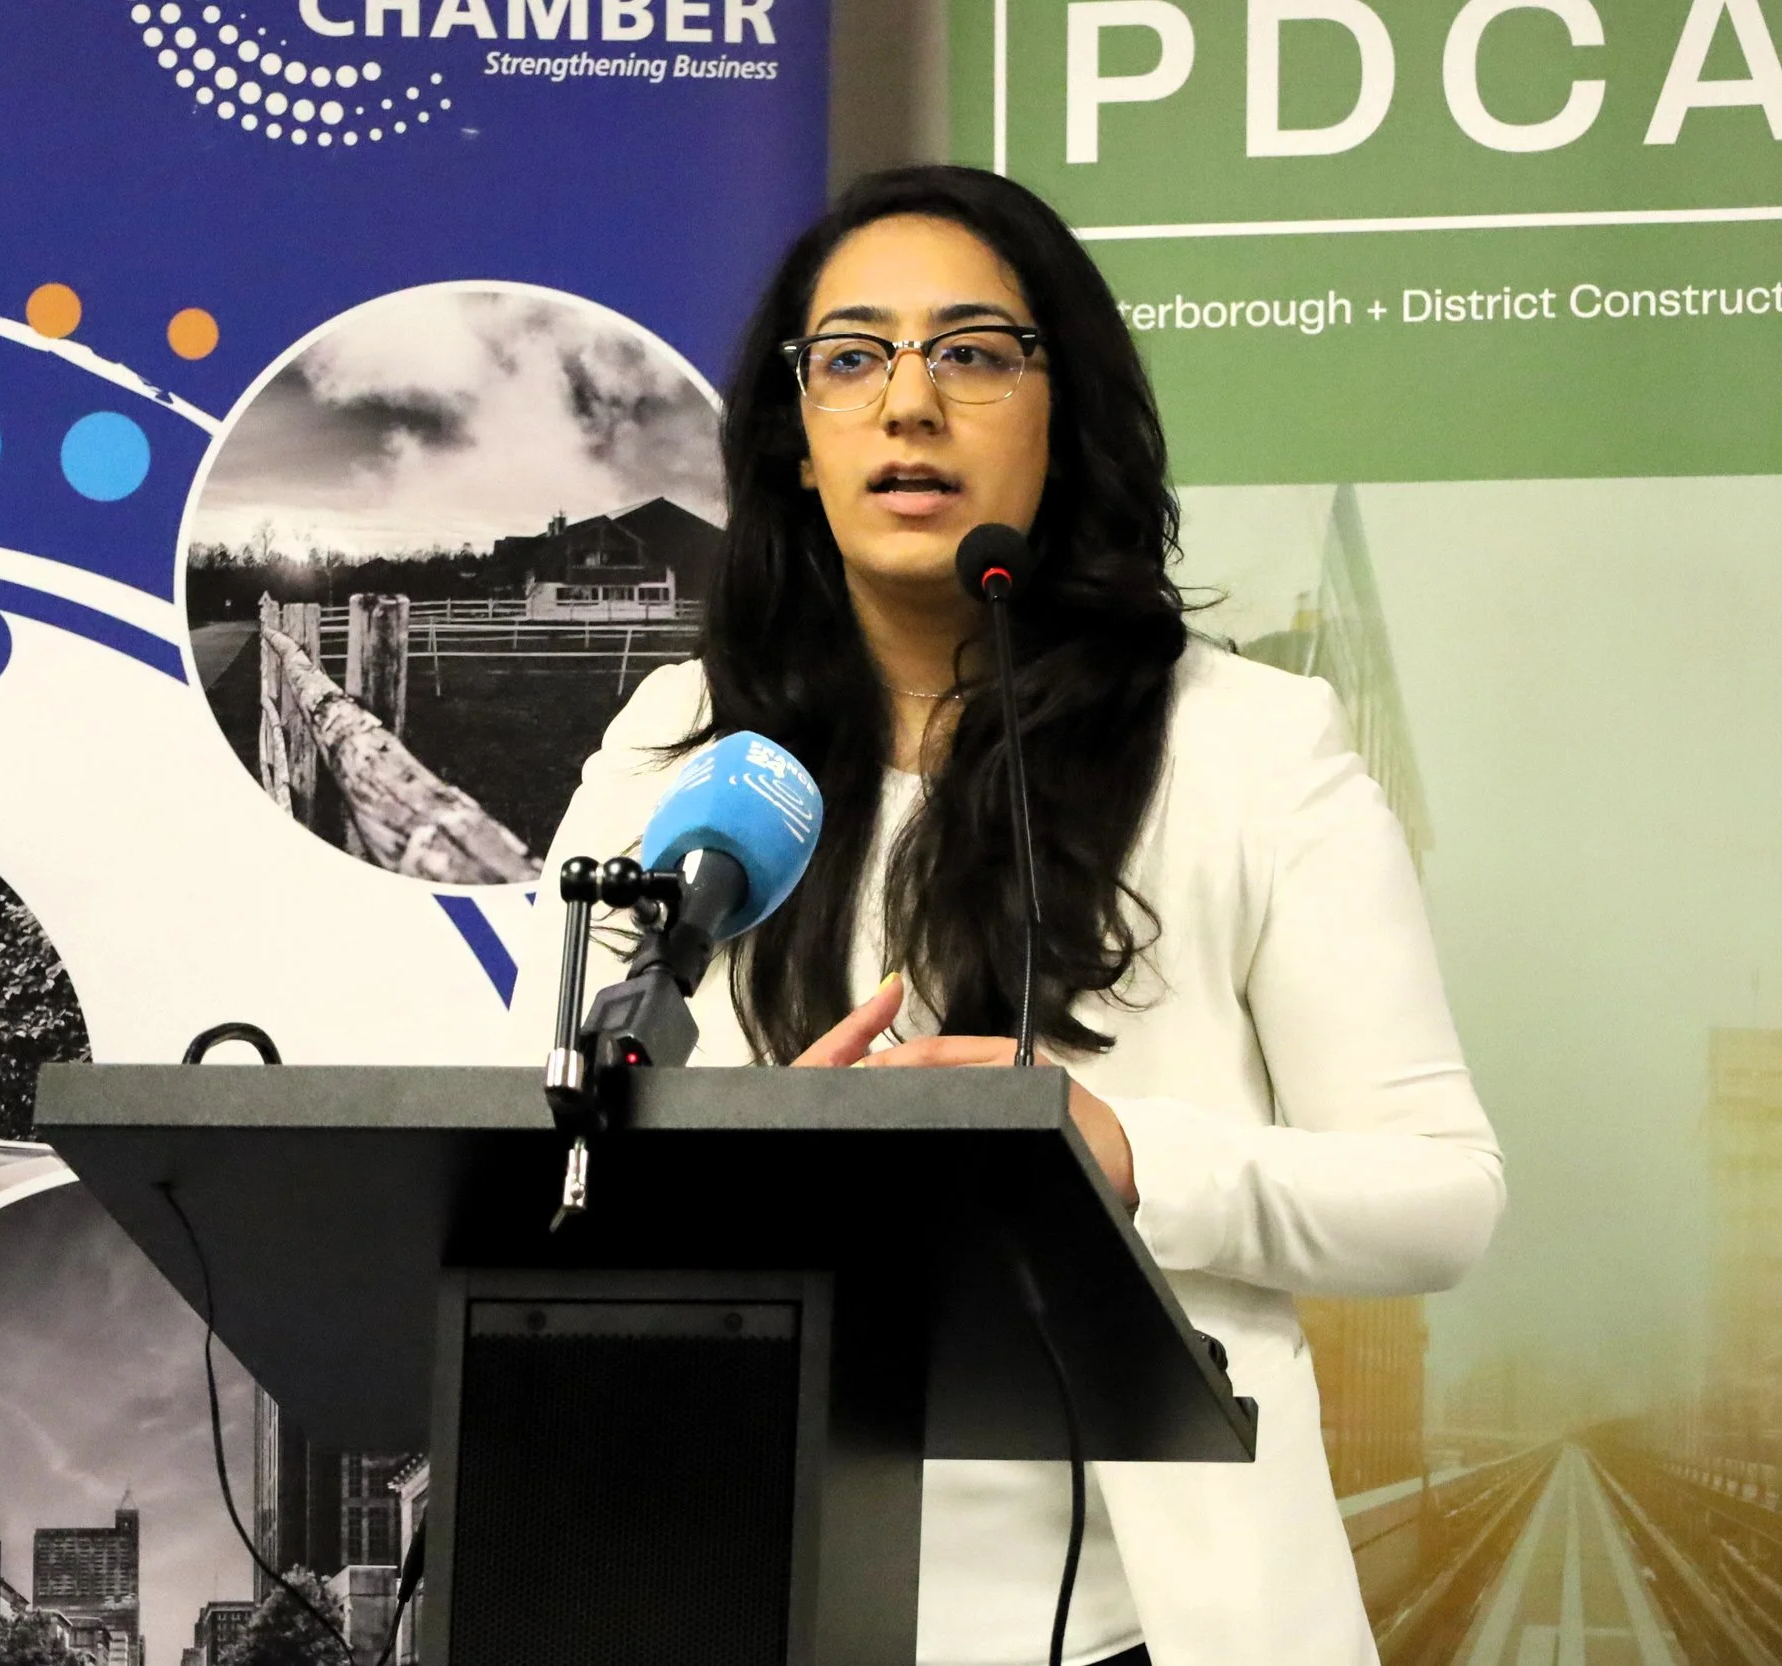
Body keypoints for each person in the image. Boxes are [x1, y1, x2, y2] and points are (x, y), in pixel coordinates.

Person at [510, 165, 1504, 1666]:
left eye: (973, 353)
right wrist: (750, 1171)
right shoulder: (674, 749)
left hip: (1152, 1630)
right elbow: (547, 1160)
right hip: (742, 1586)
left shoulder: (1247, 746)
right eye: (853, 357)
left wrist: (1124, 1156)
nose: (910, 404)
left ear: (1064, 416)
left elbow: (1442, 1195)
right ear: (795, 439)